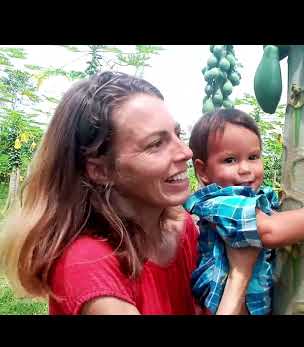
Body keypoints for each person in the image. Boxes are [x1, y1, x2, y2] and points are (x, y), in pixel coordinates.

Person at [0, 71, 258, 315]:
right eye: (156, 144)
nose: (185, 152)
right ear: (100, 170)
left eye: (176, 134)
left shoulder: (185, 231)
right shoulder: (86, 264)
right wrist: (239, 277)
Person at [185, 109, 304, 315]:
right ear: (202, 171)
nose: (245, 168)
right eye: (230, 160)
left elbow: (285, 220)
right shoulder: (219, 202)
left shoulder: (257, 197)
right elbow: (270, 231)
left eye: (253, 157)